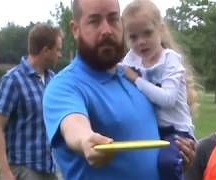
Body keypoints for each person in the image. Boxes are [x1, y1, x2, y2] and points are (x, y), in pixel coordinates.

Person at [42, 0, 196, 180]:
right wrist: (85, 140)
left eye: (113, 19)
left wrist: (178, 160)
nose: (106, 29)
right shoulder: (65, 85)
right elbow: (74, 125)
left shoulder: (134, 76)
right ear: (75, 29)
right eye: (95, 21)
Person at [121, 0, 198, 179]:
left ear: (161, 29)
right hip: (153, 130)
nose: (141, 42)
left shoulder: (170, 60)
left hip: (177, 132)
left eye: (147, 33)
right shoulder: (132, 59)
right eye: (133, 37)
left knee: (167, 163)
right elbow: (117, 74)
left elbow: (168, 99)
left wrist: (136, 79)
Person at [0, 23, 62, 180]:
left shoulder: (53, 80)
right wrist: (4, 171)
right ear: (45, 50)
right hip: (23, 169)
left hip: (50, 168)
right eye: (57, 49)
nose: (60, 54)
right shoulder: (12, 80)